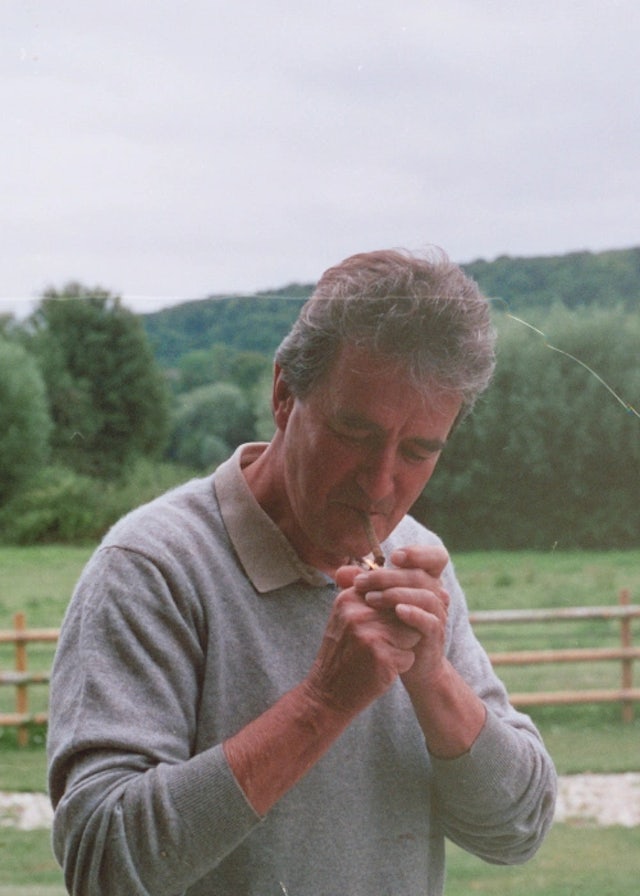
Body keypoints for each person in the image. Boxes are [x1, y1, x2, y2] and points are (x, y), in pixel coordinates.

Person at [47, 248, 557, 896]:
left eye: (419, 450)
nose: (381, 484)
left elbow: (519, 830)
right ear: (285, 393)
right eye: (355, 432)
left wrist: (431, 677)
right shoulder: (152, 568)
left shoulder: (414, 560)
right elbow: (101, 863)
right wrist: (323, 704)